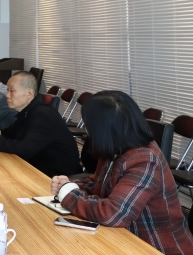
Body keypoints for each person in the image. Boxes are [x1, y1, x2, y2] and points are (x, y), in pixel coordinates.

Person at [51, 91, 193, 255]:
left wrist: (69, 195)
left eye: (88, 124)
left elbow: (113, 214)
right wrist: (69, 185)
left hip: (155, 247)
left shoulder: (145, 160)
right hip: (124, 237)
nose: (86, 129)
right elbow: (98, 185)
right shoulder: (115, 148)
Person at [0, 71, 81, 177]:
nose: (7, 95)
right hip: (39, 169)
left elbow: (24, 149)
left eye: (12, 90)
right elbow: (9, 134)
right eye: (7, 90)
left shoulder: (43, 115)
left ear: (29, 94)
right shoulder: (27, 112)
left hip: (58, 178)